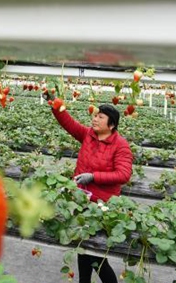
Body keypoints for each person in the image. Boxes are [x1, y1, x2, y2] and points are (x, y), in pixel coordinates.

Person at [45, 92, 133, 283]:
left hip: (101, 205)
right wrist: (54, 104)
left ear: (111, 125)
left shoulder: (121, 146)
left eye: (101, 117)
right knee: (83, 247)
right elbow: (68, 123)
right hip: (81, 199)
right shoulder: (88, 135)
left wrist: (93, 176)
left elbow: (124, 175)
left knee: (95, 253)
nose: (95, 119)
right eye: (95, 115)